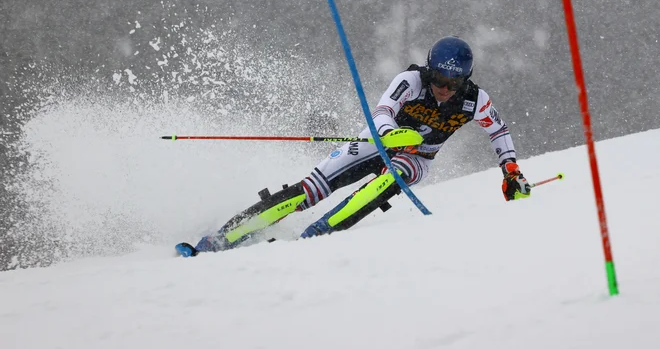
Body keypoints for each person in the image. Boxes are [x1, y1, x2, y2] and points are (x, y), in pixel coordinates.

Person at [176, 36, 532, 257]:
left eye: (453, 82)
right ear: (429, 69)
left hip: (417, 157)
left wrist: (510, 168)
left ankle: (315, 237)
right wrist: (390, 135)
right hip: (377, 139)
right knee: (309, 190)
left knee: (391, 178)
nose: (444, 88)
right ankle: (218, 240)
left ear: (465, 80)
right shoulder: (410, 81)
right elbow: (382, 112)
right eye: (439, 77)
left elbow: (499, 131)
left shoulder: (475, 101)